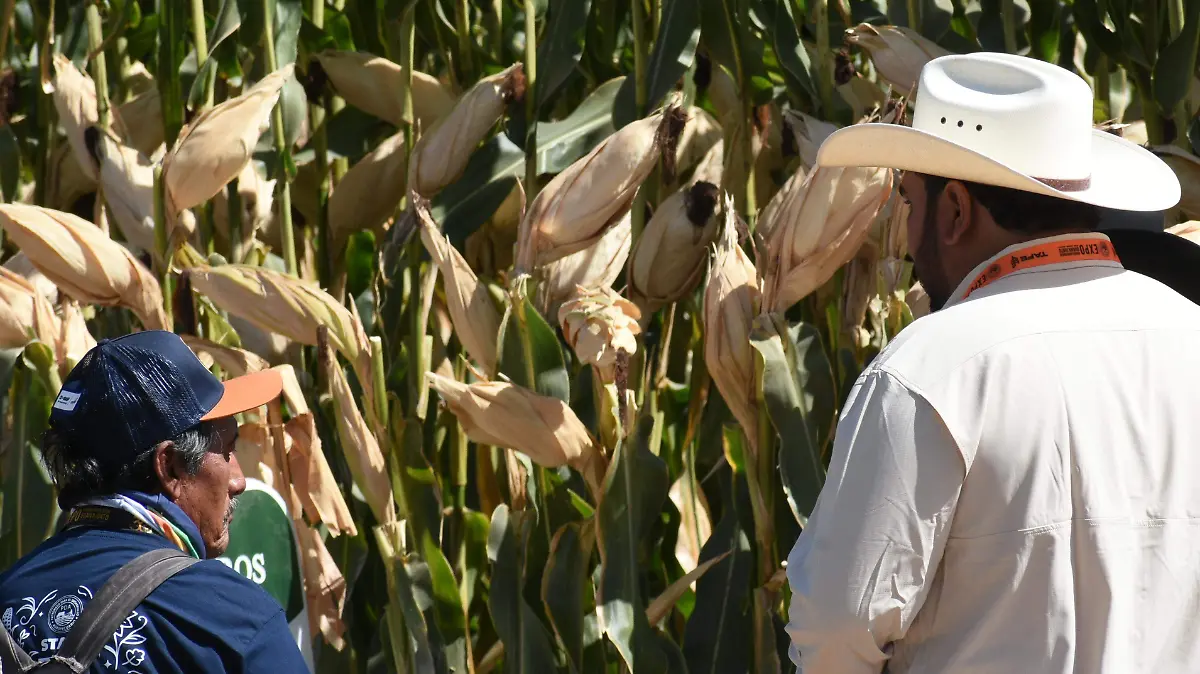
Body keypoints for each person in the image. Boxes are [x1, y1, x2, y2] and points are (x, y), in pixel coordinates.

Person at [784, 52, 1200, 673]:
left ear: (954, 211)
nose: (907, 223)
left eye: (910, 200)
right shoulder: (1189, 331)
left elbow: (839, 626)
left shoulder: (930, 368)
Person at [0, 331, 310, 672]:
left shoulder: (8, 594)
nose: (238, 480)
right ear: (169, 467)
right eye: (227, 450)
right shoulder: (236, 623)